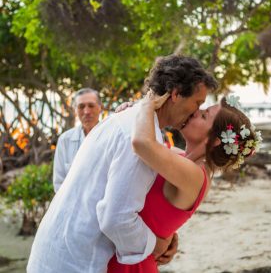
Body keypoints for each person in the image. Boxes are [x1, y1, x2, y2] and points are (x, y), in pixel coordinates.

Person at [27, 54, 218, 273]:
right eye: (197, 103)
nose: (196, 112)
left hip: (56, 253)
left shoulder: (130, 121)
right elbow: (116, 219)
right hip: (76, 262)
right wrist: (156, 244)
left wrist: (165, 234)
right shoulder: (139, 139)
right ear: (175, 94)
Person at [107, 92, 262, 272]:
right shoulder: (180, 157)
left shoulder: (196, 175)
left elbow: (143, 142)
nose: (195, 111)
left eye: (204, 116)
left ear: (215, 140)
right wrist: (130, 113)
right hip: (123, 253)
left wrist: (146, 104)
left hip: (130, 265)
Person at [53, 88, 102, 192]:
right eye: (81, 106)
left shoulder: (111, 136)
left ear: (100, 108)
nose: (87, 111)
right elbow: (59, 183)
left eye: (91, 105)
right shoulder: (65, 140)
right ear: (75, 110)